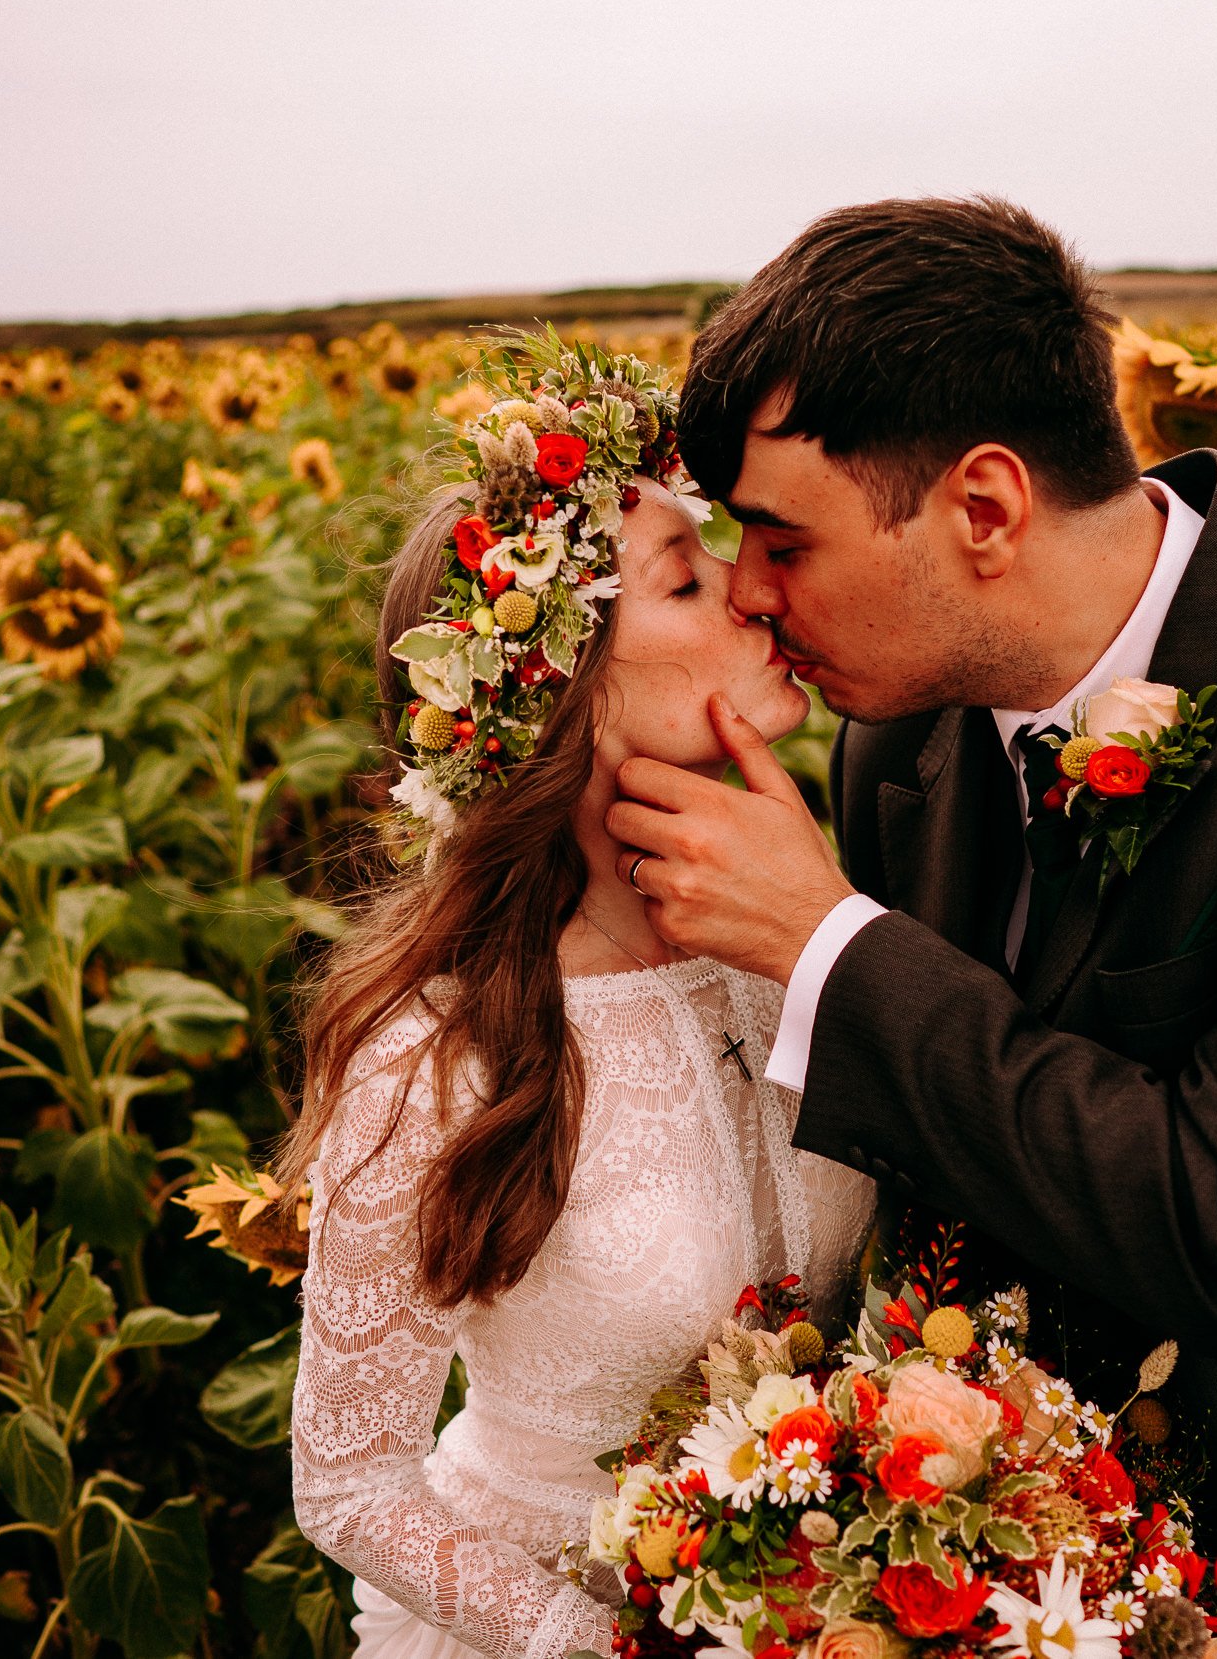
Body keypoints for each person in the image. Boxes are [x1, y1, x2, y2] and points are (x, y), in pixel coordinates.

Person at [604, 199, 1217, 1658]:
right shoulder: (897, 731)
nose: (751, 595)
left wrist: (826, 945)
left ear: (987, 510)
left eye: (778, 538)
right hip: (1013, 1580)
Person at [280, 335, 876, 1659]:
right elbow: (348, 1482)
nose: (753, 590)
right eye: (686, 579)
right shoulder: (437, 1054)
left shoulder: (807, 928)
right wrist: (594, 1647)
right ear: (570, 691)